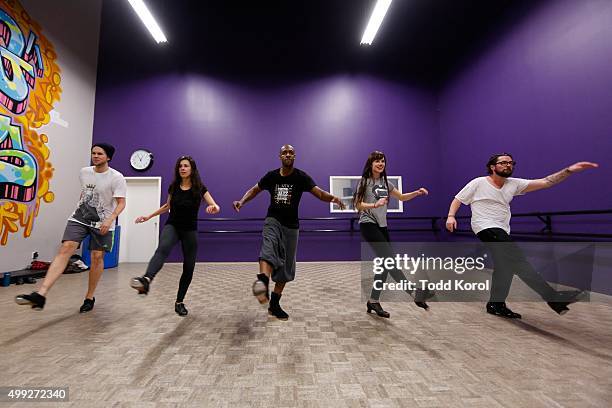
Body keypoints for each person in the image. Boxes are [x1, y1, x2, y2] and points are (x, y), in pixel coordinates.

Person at [446, 153, 598, 318]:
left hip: (502, 229)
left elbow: (546, 182)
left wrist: (569, 170)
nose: (508, 165)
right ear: (492, 166)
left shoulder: (514, 184)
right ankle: (552, 297)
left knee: (505, 267)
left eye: (511, 163)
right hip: (485, 227)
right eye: (503, 162)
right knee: (518, 259)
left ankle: (495, 304)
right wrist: (451, 216)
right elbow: (458, 199)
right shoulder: (479, 182)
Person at [232, 144, 345, 320]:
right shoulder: (271, 176)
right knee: (267, 250)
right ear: (280, 156)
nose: (287, 155)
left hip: (292, 226)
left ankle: (274, 304)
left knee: (286, 268)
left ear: (294, 156)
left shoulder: (301, 177)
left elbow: (320, 194)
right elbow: (254, 190)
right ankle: (262, 282)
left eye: (291, 153)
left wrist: (335, 198)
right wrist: (241, 201)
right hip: (273, 220)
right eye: (284, 152)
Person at [15, 143, 127, 312]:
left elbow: (121, 203)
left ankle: (89, 297)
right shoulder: (84, 172)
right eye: (93, 153)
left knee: (97, 257)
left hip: (103, 222)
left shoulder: (116, 177)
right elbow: (84, 193)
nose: (95, 156)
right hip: (80, 217)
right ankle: (41, 294)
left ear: (108, 157)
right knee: (66, 248)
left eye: (100, 154)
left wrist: (110, 219)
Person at [130, 156, 219, 316]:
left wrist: (213, 207)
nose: (182, 168)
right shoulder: (174, 186)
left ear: (192, 169)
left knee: (189, 267)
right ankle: (147, 279)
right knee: (162, 248)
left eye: (186, 166)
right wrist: (149, 216)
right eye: (180, 166)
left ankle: (179, 301)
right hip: (173, 226)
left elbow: (214, 204)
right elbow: (167, 206)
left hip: (190, 230)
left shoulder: (200, 188)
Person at [354, 150, 431, 318]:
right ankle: (413, 293)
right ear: (371, 164)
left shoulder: (386, 183)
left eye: (382, 161)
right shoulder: (364, 182)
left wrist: (416, 193)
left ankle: (373, 301)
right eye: (377, 161)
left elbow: (402, 197)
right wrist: (375, 205)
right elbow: (357, 204)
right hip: (368, 224)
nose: (380, 164)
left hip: (382, 227)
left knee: (385, 266)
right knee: (389, 261)